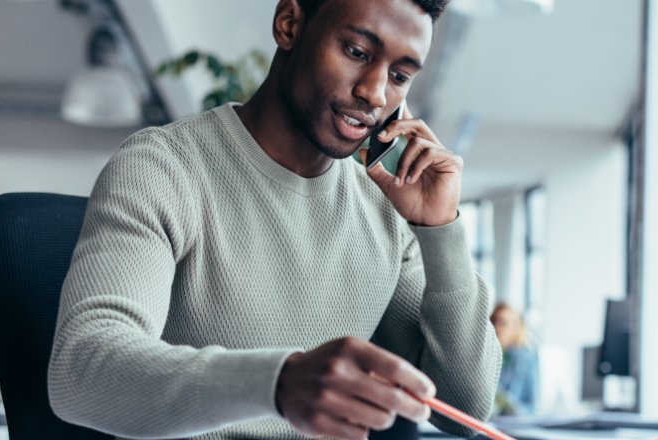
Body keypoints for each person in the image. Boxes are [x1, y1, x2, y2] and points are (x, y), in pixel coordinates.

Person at [46, 1, 500, 439]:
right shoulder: (165, 168)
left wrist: (440, 229)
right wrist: (277, 383)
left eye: (400, 76)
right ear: (288, 24)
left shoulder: (382, 202)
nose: (375, 93)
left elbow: (464, 413)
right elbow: (81, 372)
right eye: (357, 53)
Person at [490, 304, 537, 416]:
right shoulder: (486, 356)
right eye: (494, 321)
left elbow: (531, 405)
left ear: (516, 329)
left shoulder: (524, 358)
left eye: (503, 324)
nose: (497, 328)